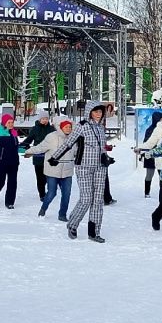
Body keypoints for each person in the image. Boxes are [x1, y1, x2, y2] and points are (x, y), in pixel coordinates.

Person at [48, 100, 111, 242]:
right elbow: (68, 143)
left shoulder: (101, 128)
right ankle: (72, 224)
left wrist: (106, 157)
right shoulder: (81, 126)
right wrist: (55, 157)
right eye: (95, 111)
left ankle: (94, 232)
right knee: (87, 198)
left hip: (100, 168)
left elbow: (101, 148)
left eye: (100, 112)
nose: (98, 114)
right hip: (83, 167)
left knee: (98, 200)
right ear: (89, 112)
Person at [25, 116, 76, 222]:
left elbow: (78, 153)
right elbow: (40, 147)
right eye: (66, 127)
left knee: (66, 194)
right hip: (52, 171)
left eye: (70, 127)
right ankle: (44, 208)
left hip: (67, 171)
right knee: (52, 193)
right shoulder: (51, 137)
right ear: (61, 127)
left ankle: (62, 214)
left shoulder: (73, 139)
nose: (68, 129)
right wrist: (29, 151)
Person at [21, 108, 55, 199]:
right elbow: (29, 139)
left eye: (46, 119)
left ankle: (49, 190)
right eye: (43, 119)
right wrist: (22, 145)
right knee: (40, 177)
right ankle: (42, 194)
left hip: (49, 156)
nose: (45, 120)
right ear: (39, 119)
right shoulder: (35, 129)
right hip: (38, 156)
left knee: (48, 176)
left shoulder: (52, 129)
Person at [139, 111, 162, 197]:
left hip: (160, 156)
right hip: (150, 156)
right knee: (149, 175)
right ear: (156, 119)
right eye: (161, 119)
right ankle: (147, 192)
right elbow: (147, 143)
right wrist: (144, 153)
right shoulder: (150, 130)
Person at [102, 102, 118, 206]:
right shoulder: (97, 125)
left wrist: (107, 148)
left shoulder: (101, 124)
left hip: (102, 155)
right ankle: (106, 198)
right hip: (99, 157)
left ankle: (106, 198)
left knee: (104, 178)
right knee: (103, 178)